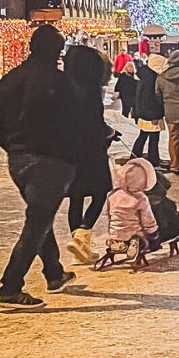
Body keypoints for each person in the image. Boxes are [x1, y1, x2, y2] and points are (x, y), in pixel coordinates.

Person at [0, 26, 79, 307]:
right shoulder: (58, 82)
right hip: (50, 160)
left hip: (18, 159)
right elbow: (72, 125)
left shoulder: (9, 80)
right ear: (55, 50)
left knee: (40, 217)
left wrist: (13, 146)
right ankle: (10, 286)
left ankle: (53, 272)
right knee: (37, 223)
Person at [63, 46, 115, 266]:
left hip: (70, 152)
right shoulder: (90, 90)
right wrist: (109, 133)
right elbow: (94, 122)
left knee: (76, 196)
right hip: (92, 151)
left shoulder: (64, 87)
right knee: (101, 190)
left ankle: (78, 239)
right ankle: (82, 234)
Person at [105, 158, 159, 260]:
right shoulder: (140, 198)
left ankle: (117, 243)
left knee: (120, 233)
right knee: (145, 239)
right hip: (134, 232)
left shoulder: (112, 195)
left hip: (116, 232)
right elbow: (148, 219)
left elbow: (109, 214)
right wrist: (153, 232)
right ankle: (137, 242)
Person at [134, 54, 168, 168]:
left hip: (144, 113)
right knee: (153, 138)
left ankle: (135, 156)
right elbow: (152, 99)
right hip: (152, 114)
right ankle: (153, 160)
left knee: (143, 135)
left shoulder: (145, 76)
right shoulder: (152, 79)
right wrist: (156, 114)